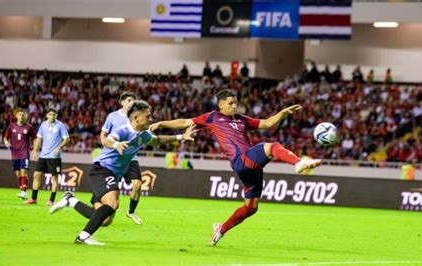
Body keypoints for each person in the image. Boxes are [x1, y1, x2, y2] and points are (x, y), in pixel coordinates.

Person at [149, 89, 322, 246]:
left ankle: (221, 229)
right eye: (230, 103)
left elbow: (267, 123)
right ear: (221, 104)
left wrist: (282, 114)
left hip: (251, 167)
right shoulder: (212, 117)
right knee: (272, 147)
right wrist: (162, 124)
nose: (234, 106)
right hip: (241, 161)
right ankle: (299, 163)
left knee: (251, 208)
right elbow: (184, 122)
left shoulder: (242, 120)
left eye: (236, 103)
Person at [49, 100, 197, 245]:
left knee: (104, 219)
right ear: (136, 118)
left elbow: (157, 140)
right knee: (113, 202)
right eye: (148, 116)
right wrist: (116, 144)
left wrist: (181, 137)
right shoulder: (123, 131)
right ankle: (83, 237)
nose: (151, 119)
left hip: (112, 175)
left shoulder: (144, 135)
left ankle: (71, 201)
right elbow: (107, 140)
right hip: (101, 170)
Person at [100, 92, 145, 224]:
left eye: (134, 100)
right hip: (114, 157)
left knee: (137, 184)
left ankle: (131, 211)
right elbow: (103, 135)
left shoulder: (135, 117)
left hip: (131, 157)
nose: (132, 103)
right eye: (129, 100)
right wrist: (110, 145)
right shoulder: (113, 116)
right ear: (122, 102)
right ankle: (100, 209)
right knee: (111, 192)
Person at [24, 108, 70, 205]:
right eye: (50, 114)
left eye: (54, 114)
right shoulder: (43, 125)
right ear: (47, 115)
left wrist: (59, 147)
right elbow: (39, 138)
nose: (52, 116)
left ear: (56, 115)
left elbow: (67, 139)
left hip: (54, 157)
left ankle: (51, 200)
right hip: (43, 155)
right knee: (36, 175)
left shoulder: (60, 126)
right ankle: (33, 199)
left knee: (54, 178)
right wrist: (35, 150)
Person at [3, 108, 36, 199]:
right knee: (18, 175)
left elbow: (35, 138)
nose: (21, 116)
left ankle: (24, 192)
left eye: (23, 115)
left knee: (23, 173)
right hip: (14, 154)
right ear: (16, 116)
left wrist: (34, 150)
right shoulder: (12, 126)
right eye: (19, 115)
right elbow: (6, 137)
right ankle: (22, 189)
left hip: (24, 153)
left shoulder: (29, 127)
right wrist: (6, 142)